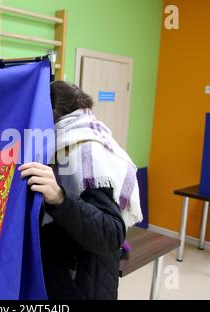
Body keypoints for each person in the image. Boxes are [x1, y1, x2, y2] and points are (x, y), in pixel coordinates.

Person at [18, 81, 143, 300]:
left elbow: (111, 234)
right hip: (71, 275)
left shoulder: (87, 150)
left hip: (82, 284)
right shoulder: (68, 141)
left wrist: (59, 198)